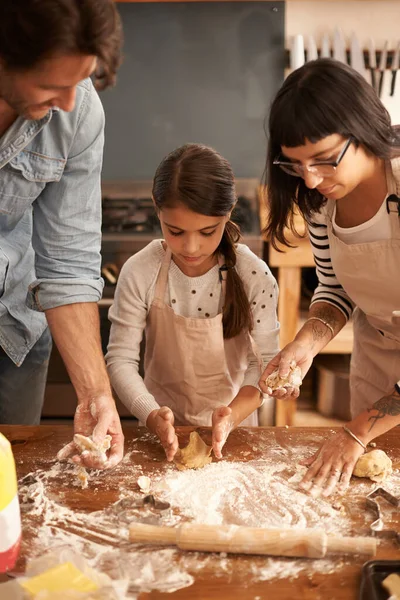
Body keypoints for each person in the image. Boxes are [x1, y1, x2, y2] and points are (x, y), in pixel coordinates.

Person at [259, 58, 400, 496]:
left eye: (323, 160)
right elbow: (335, 289)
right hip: (379, 354)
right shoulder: (321, 202)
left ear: (364, 130)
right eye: (295, 165)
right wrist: (307, 343)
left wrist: (356, 431)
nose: (311, 178)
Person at [0, 0, 124, 468]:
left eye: (80, 81)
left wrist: (96, 395)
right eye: (55, 85)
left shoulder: (78, 112)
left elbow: (68, 261)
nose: (70, 103)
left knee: (17, 488)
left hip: (14, 328)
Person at [106, 144, 280, 459]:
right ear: (156, 209)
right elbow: (121, 360)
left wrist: (231, 416)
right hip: (157, 434)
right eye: (175, 231)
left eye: (207, 232)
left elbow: (265, 363)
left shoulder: (253, 274)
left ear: (228, 213)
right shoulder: (140, 270)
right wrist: (150, 414)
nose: (191, 246)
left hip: (234, 434)